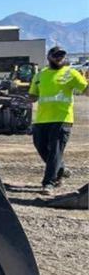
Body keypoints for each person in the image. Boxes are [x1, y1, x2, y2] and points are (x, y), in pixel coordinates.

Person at [29, 46, 88, 192]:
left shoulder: (71, 73)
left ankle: (49, 182)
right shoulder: (40, 75)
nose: (59, 58)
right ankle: (60, 169)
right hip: (42, 119)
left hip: (62, 119)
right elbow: (33, 96)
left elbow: (86, 90)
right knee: (40, 146)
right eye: (56, 55)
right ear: (49, 57)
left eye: (61, 55)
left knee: (55, 150)